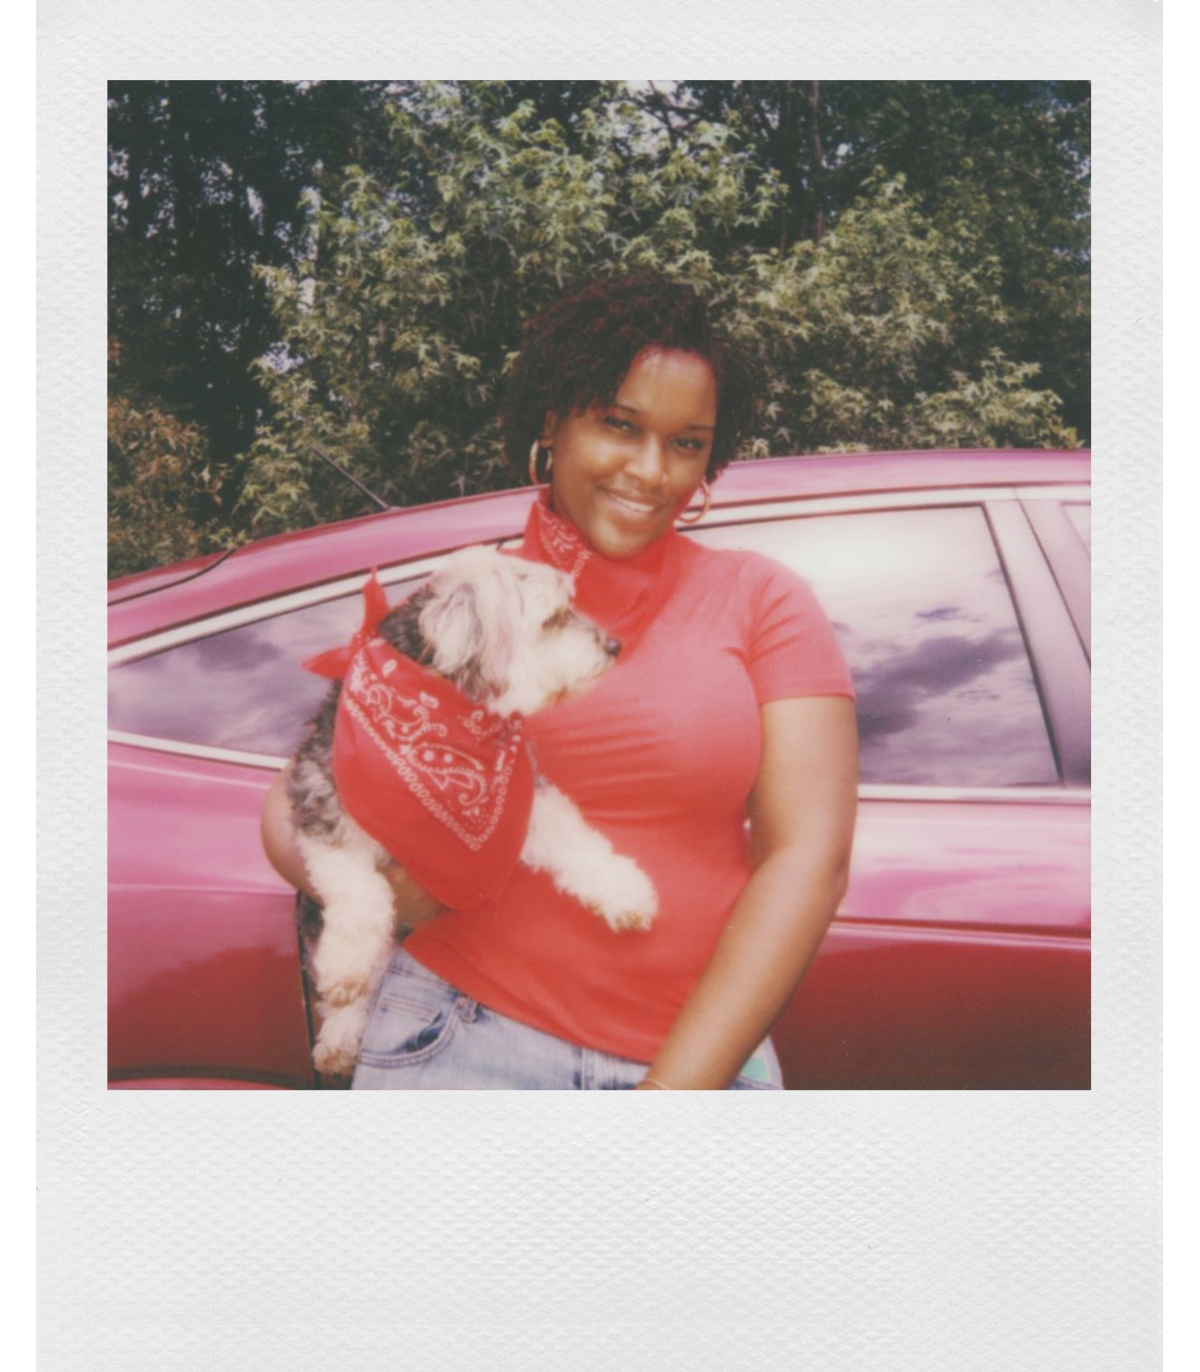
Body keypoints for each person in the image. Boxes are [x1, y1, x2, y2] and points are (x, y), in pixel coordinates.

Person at [261, 273, 858, 1090]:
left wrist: (672, 1097)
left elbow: (809, 859)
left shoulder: (763, 600)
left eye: (687, 443)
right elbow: (301, 796)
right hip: (458, 1042)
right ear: (554, 423)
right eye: (620, 425)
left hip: (699, 1071)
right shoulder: (471, 605)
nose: (652, 470)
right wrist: (396, 889)